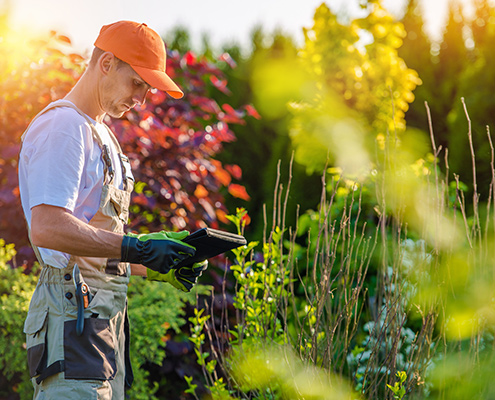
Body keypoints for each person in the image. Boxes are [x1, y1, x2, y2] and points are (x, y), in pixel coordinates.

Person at [18, 20, 207, 399]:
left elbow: (98, 247)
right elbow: (47, 227)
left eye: (147, 88)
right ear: (106, 63)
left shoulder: (100, 133)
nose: (141, 98)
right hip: (71, 322)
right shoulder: (64, 127)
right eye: (137, 82)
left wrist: (155, 262)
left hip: (101, 328)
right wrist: (135, 246)